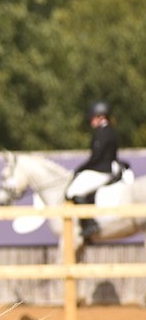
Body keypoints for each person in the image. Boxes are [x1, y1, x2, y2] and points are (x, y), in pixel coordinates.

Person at [65, 100, 121, 241]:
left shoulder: (104, 132)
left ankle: (90, 224)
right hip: (104, 168)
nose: (91, 120)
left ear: (101, 117)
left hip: (102, 170)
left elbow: (96, 157)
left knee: (73, 191)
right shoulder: (108, 131)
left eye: (93, 117)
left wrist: (81, 169)